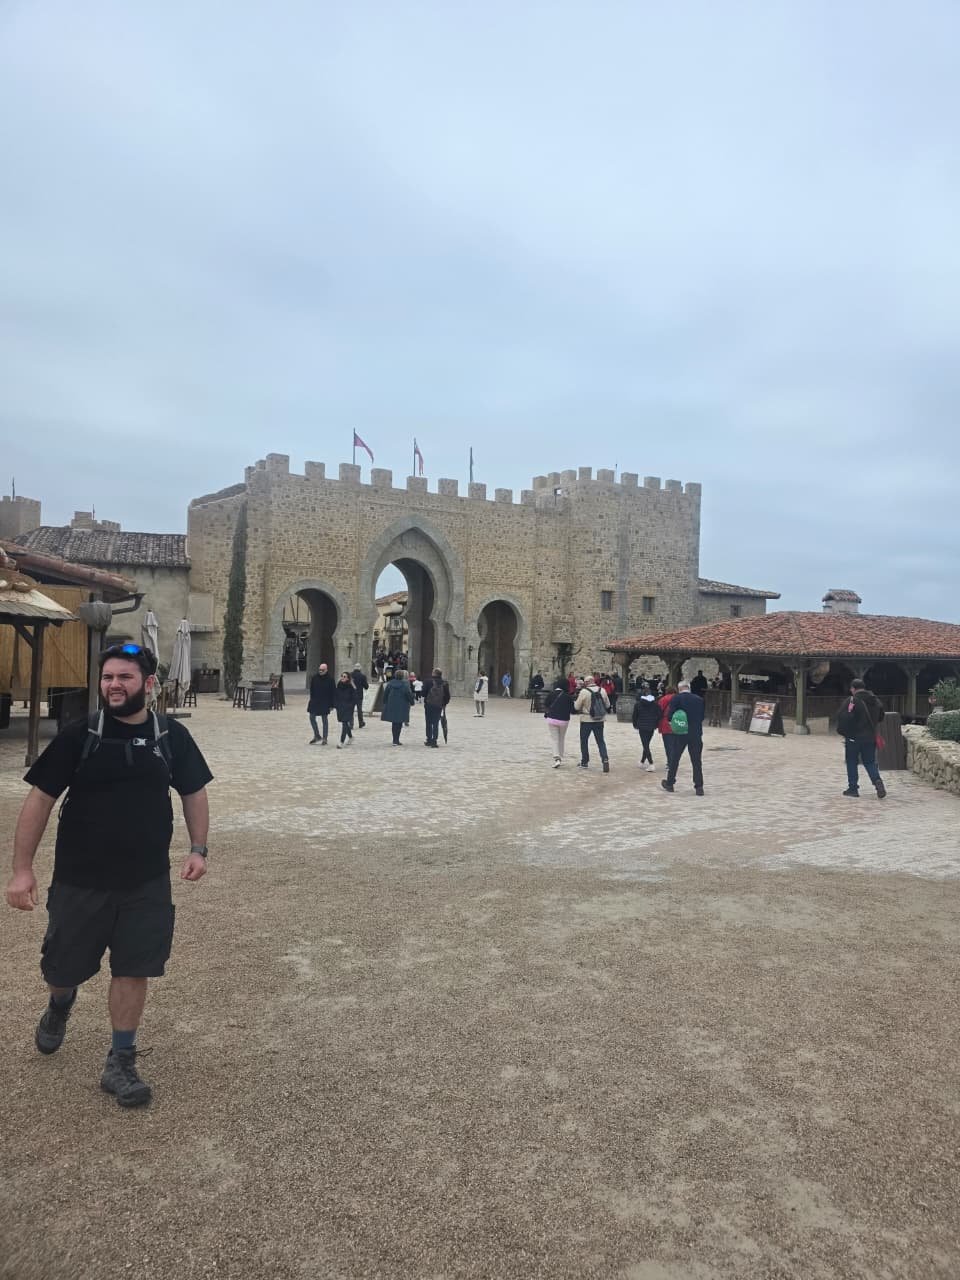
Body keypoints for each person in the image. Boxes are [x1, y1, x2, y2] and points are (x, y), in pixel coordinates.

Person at [5, 642, 213, 1109]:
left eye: (125, 677)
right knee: (63, 969)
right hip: (80, 880)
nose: (114, 685)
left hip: (146, 881)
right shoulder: (81, 735)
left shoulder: (169, 736)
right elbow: (40, 799)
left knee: (134, 967)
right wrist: (22, 871)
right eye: (108, 678)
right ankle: (60, 1004)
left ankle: (120, 1060)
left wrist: (198, 848)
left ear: (148, 684)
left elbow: (194, 791)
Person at [837, 678, 887, 798]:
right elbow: (881, 717)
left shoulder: (852, 700)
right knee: (870, 762)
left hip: (853, 737)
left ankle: (853, 788)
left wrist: (843, 731)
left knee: (852, 762)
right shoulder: (875, 700)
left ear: (853, 689)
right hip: (870, 737)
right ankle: (877, 781)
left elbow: (843, 717)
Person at [661, 680, 706, 795]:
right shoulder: (699, 699)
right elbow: (702, 717)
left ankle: (670, 783)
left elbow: (670, 716)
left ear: (680, 689)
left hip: (681, 733)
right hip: (695, 733)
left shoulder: (676, 699)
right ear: (689, 688)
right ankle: (699, 786)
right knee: (696, 761)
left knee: (675, 759)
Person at [574, 674, 610, 772]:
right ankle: (605, 759)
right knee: (600, 741)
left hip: (586, 719)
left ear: (586, 682)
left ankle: (585, 761)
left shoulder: (584, 692)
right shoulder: (602, 690)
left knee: (584, 740)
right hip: (600, 719)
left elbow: (576, 707)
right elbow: (608, 705)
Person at [544, 679, 575, 768]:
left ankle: (557, 757)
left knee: (555, 739)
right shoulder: (568, 696)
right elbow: (572, 710)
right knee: (561, 738)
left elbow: (546, 704)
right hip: (564, 720)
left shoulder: (551, 694)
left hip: (552, 719)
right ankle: (560, 756)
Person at [381, 667, 415, 745]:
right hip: (402, 706)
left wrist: (385, 702)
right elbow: (409, 694)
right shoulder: (405, 685)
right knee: (399, 723)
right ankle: (396, 740)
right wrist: (412, 702)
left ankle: (394, 740)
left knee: (394, 723)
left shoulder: (390, 684)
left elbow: (386, 694)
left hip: (392, 705)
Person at [632, 682, 661, 770]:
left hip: (642, 726)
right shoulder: (655, 704)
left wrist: (635, 725)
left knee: (645, 745)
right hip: (651, 726)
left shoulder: (638, 704)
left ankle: (651, 763)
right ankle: (642, 762)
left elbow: (634, 716)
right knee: (646, 744)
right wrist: (656, 724)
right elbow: (659, 715)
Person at [307, 663, 336, 745]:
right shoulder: (314, 678)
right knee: (312, 718)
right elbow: (311, 690)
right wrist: (311, 700)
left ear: (326, 670)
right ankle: (317, 735)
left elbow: (333, 693)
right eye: (319, 670)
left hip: (325, 702)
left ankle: (325, 738)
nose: (320, 671)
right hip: (315, 701)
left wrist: (332, 705)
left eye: (322, 670)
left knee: (324, 720)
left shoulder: (330, 679)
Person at [421, 668, 450, 747]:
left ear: (434, 673)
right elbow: (447, 696)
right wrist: (444, 703)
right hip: (439, 705)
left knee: (428, 722)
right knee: (435, 722)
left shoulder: (428, 681)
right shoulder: (445, 683)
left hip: (429, 704)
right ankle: (434, 741)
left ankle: (429, 739)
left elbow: (423, 693)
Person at [657, 684, 678, 773]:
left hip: (666, 723)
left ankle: (670, 763)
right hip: (678, 722)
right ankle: (674, 762)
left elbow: (658, 711)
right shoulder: (679, 698)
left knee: (668, 745)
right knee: (675, 745)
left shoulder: (663, 699)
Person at [334, 672, 357, 747]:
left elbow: (354, 698)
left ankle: (341, 742)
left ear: (348, 678)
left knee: (344, 723)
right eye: (342, 676)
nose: (342, 677)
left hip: (348, 708)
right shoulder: (339, 685)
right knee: (345, 723)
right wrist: (336, 704)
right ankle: (351, 737)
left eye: (344, 676)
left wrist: (350, 706)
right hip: (340, 707)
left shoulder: (351, 687)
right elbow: (336, 695)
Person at [350, 663, 369, 728]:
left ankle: (351, 724)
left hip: (351, 695)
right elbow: (366, 687)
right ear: (360, 668)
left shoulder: (350, 675)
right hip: (359, 695)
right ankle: (361, 723)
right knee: (359, 710)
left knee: (351, 710)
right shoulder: (362, 676)